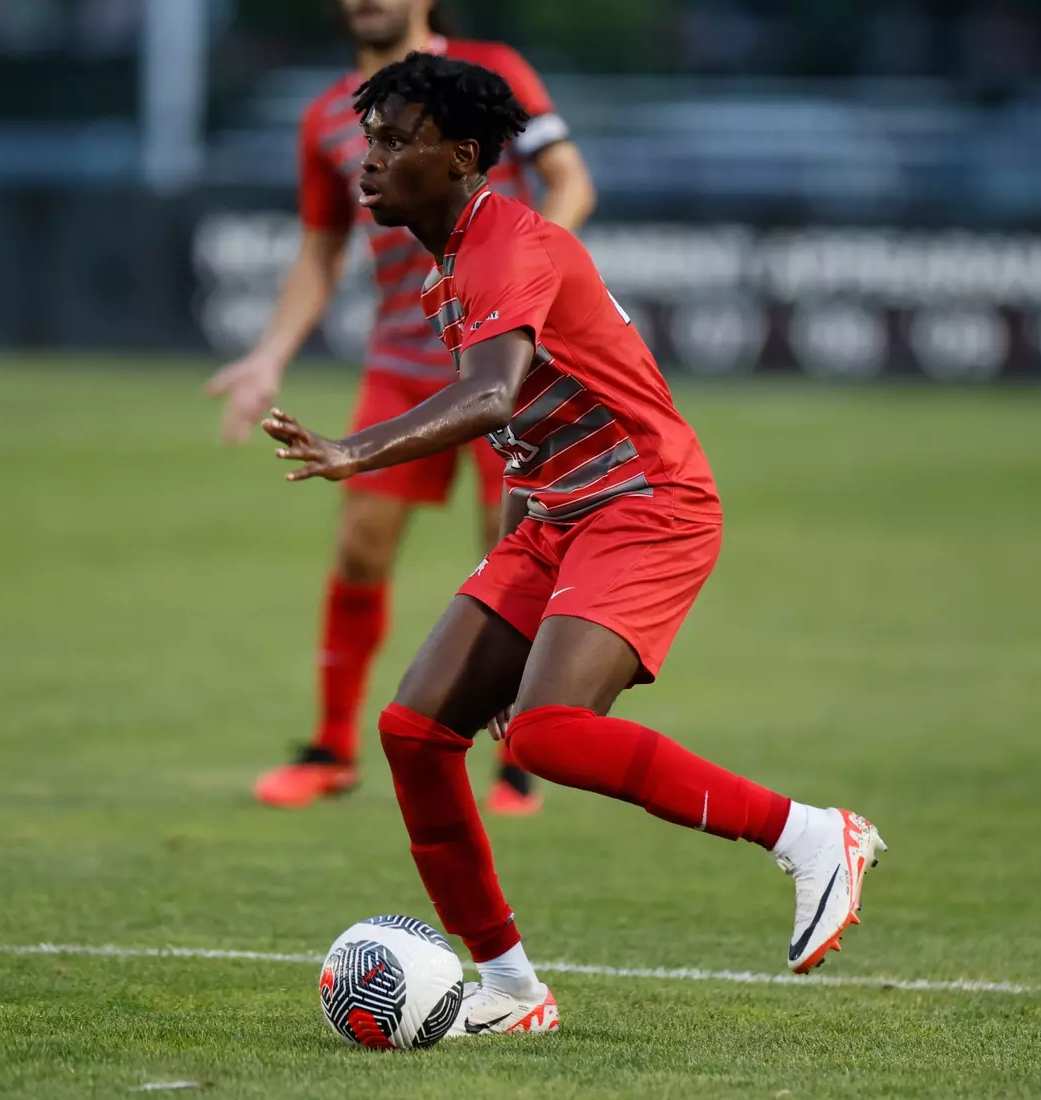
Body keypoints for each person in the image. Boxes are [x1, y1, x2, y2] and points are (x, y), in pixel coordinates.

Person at [261, 53, 887, 1037]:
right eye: (367, 140)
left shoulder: (508, 246)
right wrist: (517, 601)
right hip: (560, 515)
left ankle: (812, 835)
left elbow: (492, 396)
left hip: (649, 502)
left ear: (462, 154)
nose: (366, 161)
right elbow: (526, 436)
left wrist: (358, 447)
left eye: (392, 141)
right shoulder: (454, 268)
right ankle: (511, 986)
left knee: (548, 732)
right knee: (416, 733)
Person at [208, 0, 595, 816]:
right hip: (403, 360)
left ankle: (521, 756)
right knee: (359, 547)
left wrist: (522, 279)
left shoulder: (489, 72)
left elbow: (571, 183)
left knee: (516, 552)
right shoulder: (326, 116)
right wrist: (269, 355)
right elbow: (321, 249)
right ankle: (331, 749)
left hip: (506, 357)